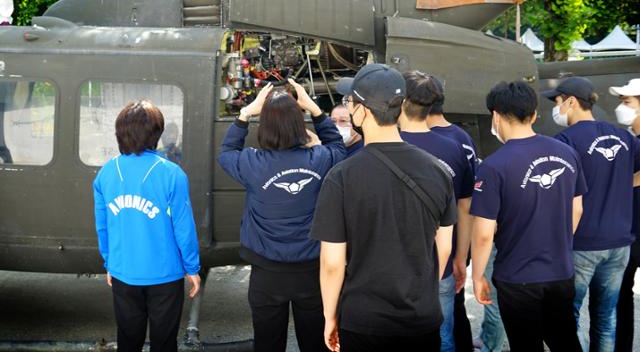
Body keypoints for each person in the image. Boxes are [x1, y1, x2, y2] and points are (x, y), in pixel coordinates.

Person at [310, 63, 457, 352]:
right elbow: (443, 247)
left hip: (364, 319)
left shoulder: (341, 177)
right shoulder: (438, 170)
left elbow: (332, 263)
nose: (349, 110)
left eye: (349, 102)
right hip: (422, 317)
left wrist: (329, 315)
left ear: (362, 112)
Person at [217, 80, 345, 352]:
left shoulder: (252, 163)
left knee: (267, 342)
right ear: (299, 125)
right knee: (314, 342)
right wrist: (315, 110)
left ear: (264, 127)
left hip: (266, 273)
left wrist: (245, 113)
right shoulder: (321, 160)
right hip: (311, 270)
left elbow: (226, 152)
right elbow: (338, 146)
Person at [471, 81, 586, 351]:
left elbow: (484, 232)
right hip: (560, 270)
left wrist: (478, 276)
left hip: (517, 276)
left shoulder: (493, 166)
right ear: (534, 115)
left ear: (495, 116)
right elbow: (577, 209)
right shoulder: (567, 153)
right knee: (565, 340)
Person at [93, 100, 201, 352]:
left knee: (128, 341)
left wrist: (109, 261)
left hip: (123, 272)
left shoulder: (106, 173)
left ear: (120, 133)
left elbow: (103, 225)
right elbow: (183, 228)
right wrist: (192, 268)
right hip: (166, 275)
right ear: (156, 133)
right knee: (164, 343)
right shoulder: (172, 174)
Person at [542, 76, 640, 351]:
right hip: (620, 243)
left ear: (571, 102)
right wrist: (624, 183)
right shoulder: (623, 136)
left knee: (566, 317)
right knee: (605, 317)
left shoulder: (564, 141)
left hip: (582, 242)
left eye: (558, 102)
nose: (556, 108)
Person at [397, 71, 474, 352]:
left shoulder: (385, 147)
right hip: (442, 261)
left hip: (395, 267)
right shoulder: (454, 147)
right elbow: (465, 207)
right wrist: (460, 255)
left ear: (401, 101)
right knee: (443, 338)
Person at [609, 78, 640, 352]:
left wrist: (619, 183)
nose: (621, 106)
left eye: (627, 101)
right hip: (629, 233)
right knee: (622, 297)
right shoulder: (628, 140)